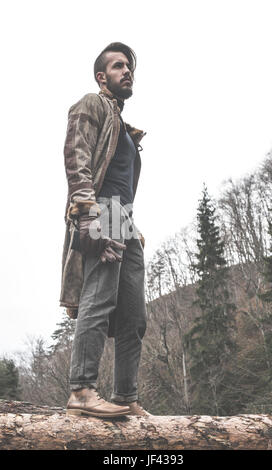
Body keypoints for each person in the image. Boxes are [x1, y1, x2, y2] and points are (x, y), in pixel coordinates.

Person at [60, 42, 150, 417]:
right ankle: (81, 390)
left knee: (134, 315)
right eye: (118, 66)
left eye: (129, 66)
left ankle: (125, 397)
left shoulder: (126, 130)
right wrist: (87, 213)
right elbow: (76, 156)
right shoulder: (91, 105)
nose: (127, 70)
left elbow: (123, 181)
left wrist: (132, 225)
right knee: (99, 299)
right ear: (102, 76)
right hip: (103, 214)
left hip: (125, 221)